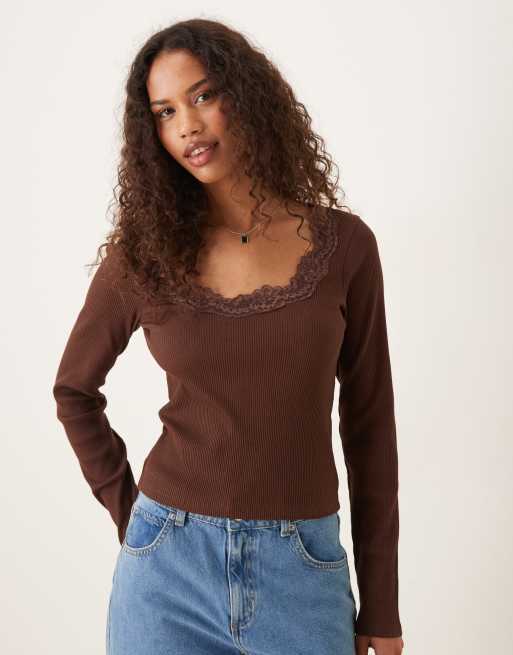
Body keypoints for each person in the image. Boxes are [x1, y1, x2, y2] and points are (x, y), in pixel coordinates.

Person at [52, 18, 404, 655]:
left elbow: (370, 426)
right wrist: (135, 518)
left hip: (302, 572)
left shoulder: (345, 247)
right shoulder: (144, 256)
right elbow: (74, 391)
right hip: (166, 576)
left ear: (246, 95)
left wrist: (382, 604)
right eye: (165, 112)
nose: (187, 125)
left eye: (203, 95)